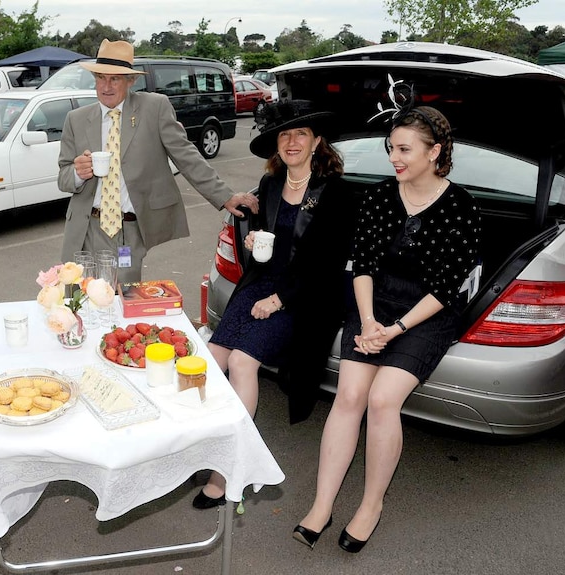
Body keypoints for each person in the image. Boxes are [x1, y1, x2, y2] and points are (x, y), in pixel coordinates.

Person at [294, 102, 481, 552]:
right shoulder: (379, 195)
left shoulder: (461, 205)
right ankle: (322, 504)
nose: (394, 158)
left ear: (434, 152)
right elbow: (362, 264)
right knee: (350, 395)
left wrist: (393, 329)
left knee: (381, 400)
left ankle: (370, 505)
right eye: (390, 148)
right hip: (372, 303)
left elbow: (447, 288)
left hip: (426, 313)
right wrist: (370, 319)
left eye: (403, 149)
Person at [193, 99, 356, 509]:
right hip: (261, 284)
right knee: (212, 356)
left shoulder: (336, 193)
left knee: (244, 362)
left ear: (318, 142)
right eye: (285, 135)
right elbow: (270, 237)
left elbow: (327, 264)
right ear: (276, 146)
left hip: (304, 297)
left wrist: (280, 299)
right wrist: (254, 242)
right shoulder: (267, 185)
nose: (292, 142)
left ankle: (227, 469)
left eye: (301, 134)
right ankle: (198, 444)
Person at [58, 38, 258, 283]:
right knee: (77, 297)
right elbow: (64, 178)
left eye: (115, 78)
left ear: (130, 81)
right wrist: (78, 172)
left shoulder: (154, 108)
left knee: (124, 296)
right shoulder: (75, 119)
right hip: (85, 229)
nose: (106, 86)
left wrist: (224, 196)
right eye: (101, 77)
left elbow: (186, 155)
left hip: (127, 230)